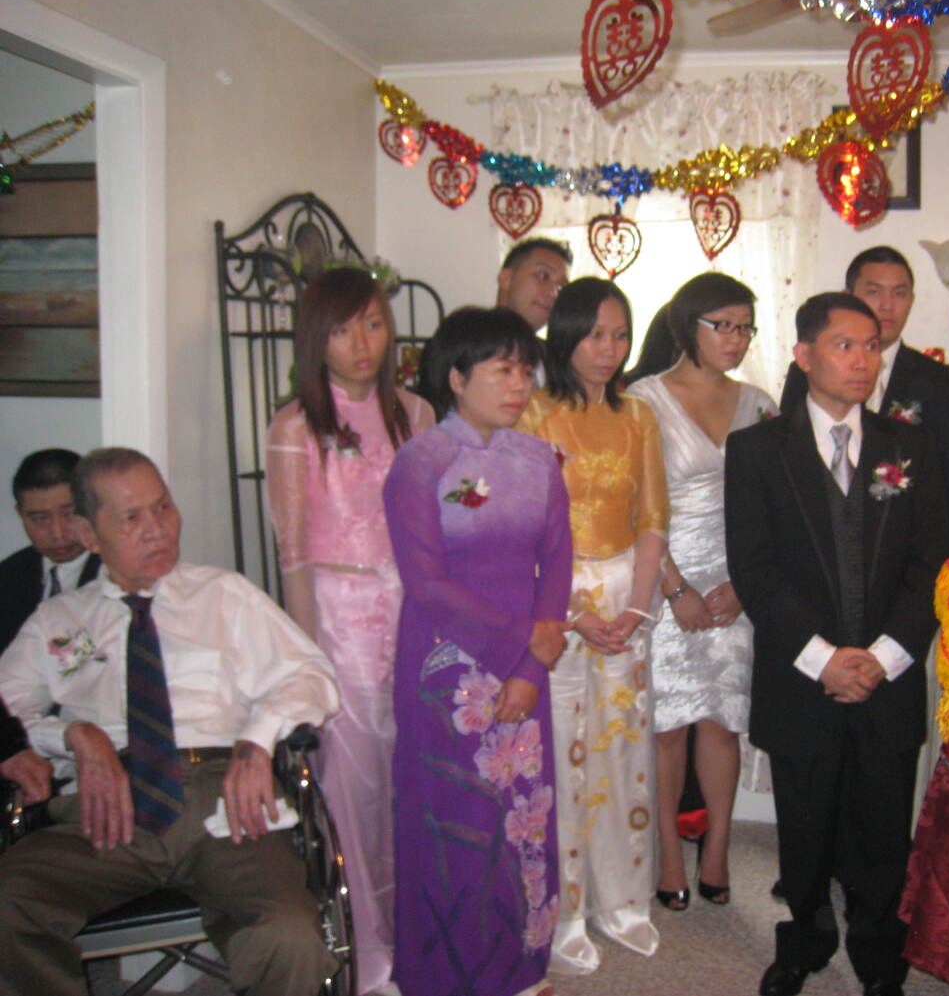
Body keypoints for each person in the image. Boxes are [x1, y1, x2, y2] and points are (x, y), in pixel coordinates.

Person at [0, 447, 340, 996]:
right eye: (131, 518)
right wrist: (70, 735)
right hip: (105, 809)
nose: (157, 529)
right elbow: (8, 703)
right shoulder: (57, 621)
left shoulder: (222, 594)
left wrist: (257, 741)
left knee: (289, 934)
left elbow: (311, 676)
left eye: (163, 507)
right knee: (8, 902)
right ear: (89, 533)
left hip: (224, 805)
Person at [726, 293, 949, 996]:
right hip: (801, 677)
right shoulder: (756, 450)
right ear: (804, 355)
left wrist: (884, 657)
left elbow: (931, 565)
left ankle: (881, 956)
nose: (863, 360)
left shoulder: (910, 446)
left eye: (871, 345)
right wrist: (824, 660)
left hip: (889, 674)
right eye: (844, 345)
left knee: (884, 826)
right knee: (805, 824)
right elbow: (754, 569)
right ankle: (806, 940)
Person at [383, 308, 573, 996]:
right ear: (457, 377)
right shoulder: (421, 462)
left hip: (525, 661)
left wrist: (531, 665)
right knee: (455, 820)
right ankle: (445, 975)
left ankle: (519, 968)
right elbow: (426, 582)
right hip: (445, 666)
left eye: (526, 369)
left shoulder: (539, 460)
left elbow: (557, 562)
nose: (520, 384)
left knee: (521, 817)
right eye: (503, 369)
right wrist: (525, 639)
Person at [265, 266, 434, 994]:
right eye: (340, 329)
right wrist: (310, 662)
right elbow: (293, 555)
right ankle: (369, 950)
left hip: (413, 611)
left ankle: (421, 934)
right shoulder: (295, 425)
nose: (362, 343)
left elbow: (432, 527)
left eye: (372, 323)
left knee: (415, 780)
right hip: (338, 618)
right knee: (353, 786)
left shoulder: (417, 412)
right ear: (317, 339)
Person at [518, 276, 669, 973]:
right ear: (567, 335)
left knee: (624, 751)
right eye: (595, 334)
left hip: (627, 593)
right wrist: (573, 612)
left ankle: (623, 901)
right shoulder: (534, 412)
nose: (608, 349)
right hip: (555, 596)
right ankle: (563, 911)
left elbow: (653, 519)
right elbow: (522, 525)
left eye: (620, 335)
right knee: (562, 753)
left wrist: (637, 607)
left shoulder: (639, 415)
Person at [627, 272, 776, 912]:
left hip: (735, 584)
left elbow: (777, 508)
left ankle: (716, 850)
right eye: (724, 326)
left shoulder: (760, 403)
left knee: (722, 720)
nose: (736, 339)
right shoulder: (642, 399)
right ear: (689, 325)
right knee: (666, 727)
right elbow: (632, 504)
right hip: (665, 576)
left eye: (746, 328)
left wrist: (744, 584)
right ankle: (667, 856)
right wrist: (673, 587)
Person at [779, 247, 949, 443]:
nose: (887, 306)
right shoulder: (810, 369)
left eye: (899, 294)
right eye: (874, 292)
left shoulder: (940, 380)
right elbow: (788, 441)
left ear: (911, 300)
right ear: (848, 297)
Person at [419, 239, 574, 410]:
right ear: (506, 278)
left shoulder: (556, 359)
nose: (553, 293)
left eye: (560, 287)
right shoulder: (459, 342)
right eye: (543, 276)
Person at [0, 448, 102, 652]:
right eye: (40, 519)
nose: (57, 532)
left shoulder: (120, 572)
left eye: (70, 514)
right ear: (21, 514)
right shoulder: (7, 577)